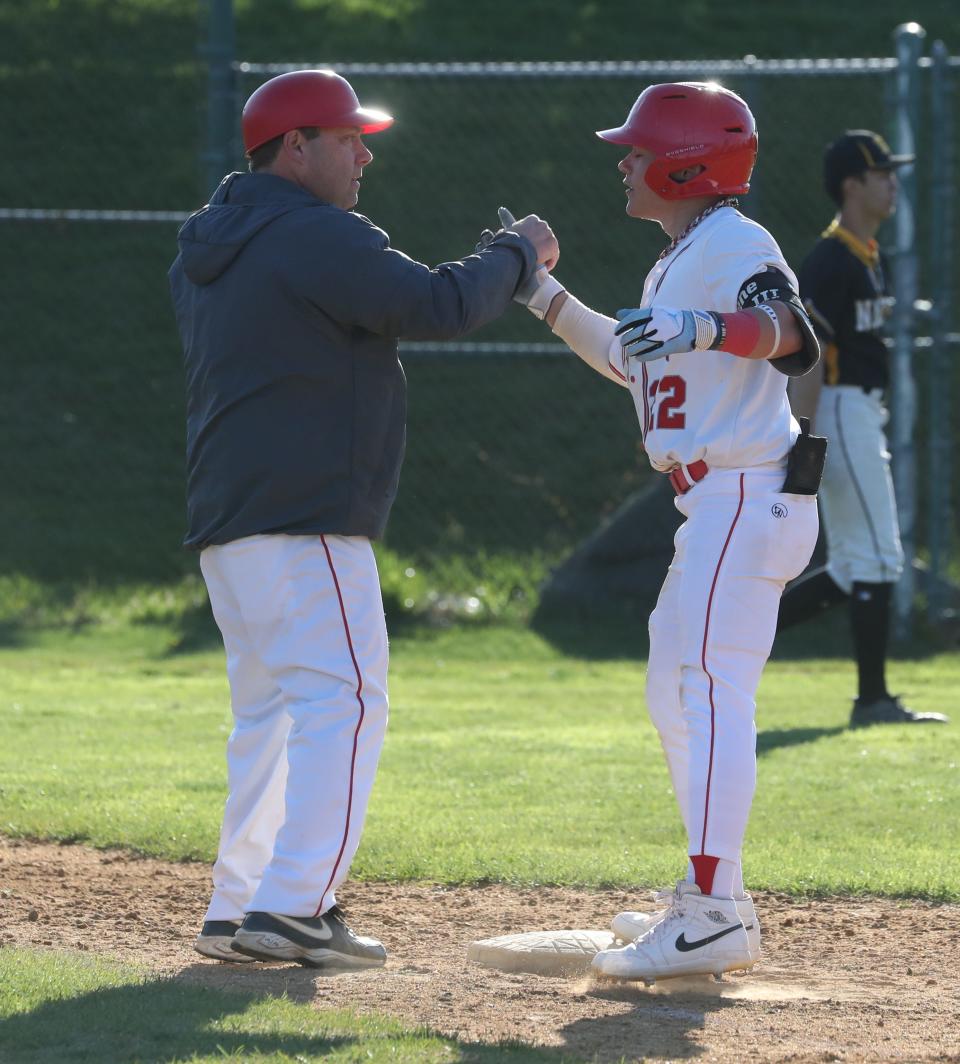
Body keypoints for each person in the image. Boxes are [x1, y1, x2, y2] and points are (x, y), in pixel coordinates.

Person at [168, 69, 558, 969]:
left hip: (231, 520)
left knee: (271, 719)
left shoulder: (213, 241)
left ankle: (241, 906)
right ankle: (297, 905)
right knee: (344, 705)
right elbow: (435, 303)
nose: (365, 152)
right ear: (294, 149)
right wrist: (517, 254)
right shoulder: (308, 231)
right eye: (347, 138)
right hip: (307, 517)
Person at [504, 82, 821, 983]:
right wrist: (543, 294)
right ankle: (713, 893)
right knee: (675, 694)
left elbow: (794, 332)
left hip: (744, 491)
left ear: (688, 164)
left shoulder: (735, 242)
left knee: (709, 691)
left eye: (638, 150)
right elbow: (631, 359)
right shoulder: (680, 256)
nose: (624, 162)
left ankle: (715, 908)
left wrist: (707, 326)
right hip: (712, 504)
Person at [778, 130, 949, 727]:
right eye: (882, 174)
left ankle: (733, 628)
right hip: (840, 407)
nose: (892, 183)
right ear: (853, 184)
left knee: (859, 562)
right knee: (877, 555)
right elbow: (811, 351)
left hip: (856, 410)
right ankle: (871, 700)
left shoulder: (863, 254)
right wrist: (804, 434)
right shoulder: (831, 258)